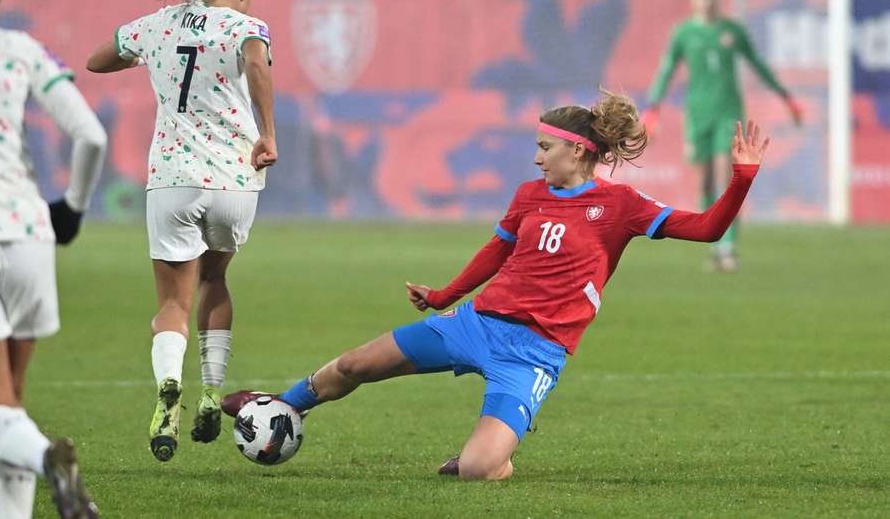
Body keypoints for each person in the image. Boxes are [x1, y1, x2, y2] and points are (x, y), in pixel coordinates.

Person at [222, 90, 770, 480]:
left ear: (576, 150)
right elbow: (496, 252)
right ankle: (282, 407)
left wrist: (742, 176)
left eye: (544, 147)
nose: (536, 157)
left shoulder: (621, 206)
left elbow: (707, 229)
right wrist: (444, 296)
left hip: (533, 355)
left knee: (478, 470)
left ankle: (494, 459)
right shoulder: (529, 194)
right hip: (475, 325)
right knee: (352, 366)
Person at [86, 0, 277, 462]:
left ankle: (168, 388)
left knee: (172, 301)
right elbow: (258, 63)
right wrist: (268, 135)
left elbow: (97, 60)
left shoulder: (162, 25)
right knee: (216, 280)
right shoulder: (246, 27)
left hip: (172, 179)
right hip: (233, 182)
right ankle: (212, 392)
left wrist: (149, 58)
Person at [0, 0, 105, 517]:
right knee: (7, 402)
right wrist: (73, 208)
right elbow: (92, 136)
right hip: (30, 232)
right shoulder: (21, 50)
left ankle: (46, 458)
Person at [643, 0, 800, 271]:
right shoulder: (683, 33)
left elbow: (757, 63)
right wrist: (653, 109)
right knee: (704, 181)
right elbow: (666, 70)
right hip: (698, 115)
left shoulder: (733, 31)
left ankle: (728, 246)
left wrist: (785, 96)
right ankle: (714, 242)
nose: (707, 0)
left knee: (725, 176)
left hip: (728, 113)